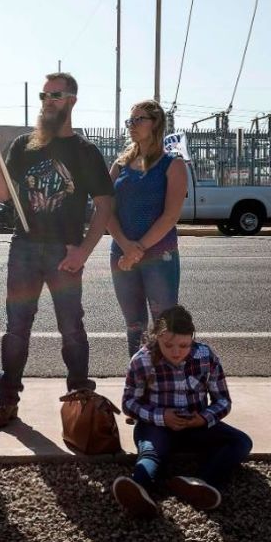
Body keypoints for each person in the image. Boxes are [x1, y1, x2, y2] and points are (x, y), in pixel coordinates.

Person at [0, 72, 115, 430]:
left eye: (55, 95)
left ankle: (81, 400)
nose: (47, 101)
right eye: (44, 95)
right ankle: (6, 402)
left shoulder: (85, 152)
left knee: (72, 328)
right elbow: (2, 193)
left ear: (72, 99)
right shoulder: (25, 145)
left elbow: (104, 205)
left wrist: (84, 251)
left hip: (64, 251)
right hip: (23, 246)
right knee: (16, 329)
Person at [112, 305, 252, 518]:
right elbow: (129, 404)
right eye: (168, 345)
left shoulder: (206, 356)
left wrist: (203, 419)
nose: (176, 352)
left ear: (192, 339)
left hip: (195, 425)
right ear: (156, 337)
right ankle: (138, 490)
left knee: (241, 442)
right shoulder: (142, 360)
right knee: (151, 452)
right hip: (155, 427)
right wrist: (162, 417)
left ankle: (201, 483)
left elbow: (223, 400)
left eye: (184, 345)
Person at [107, 99, 189, 357]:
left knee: (164, 325)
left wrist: (139, 248)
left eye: (138, 119)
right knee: (134, 326)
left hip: (159, 256)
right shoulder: (119, 166)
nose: (132, 125)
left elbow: (170, 215)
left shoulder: (172, 165)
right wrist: (126, 246)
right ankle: (138, 380)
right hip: (121, 253)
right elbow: (106, 210)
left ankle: (165, 382)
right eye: (130, 121)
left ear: (156, 124)